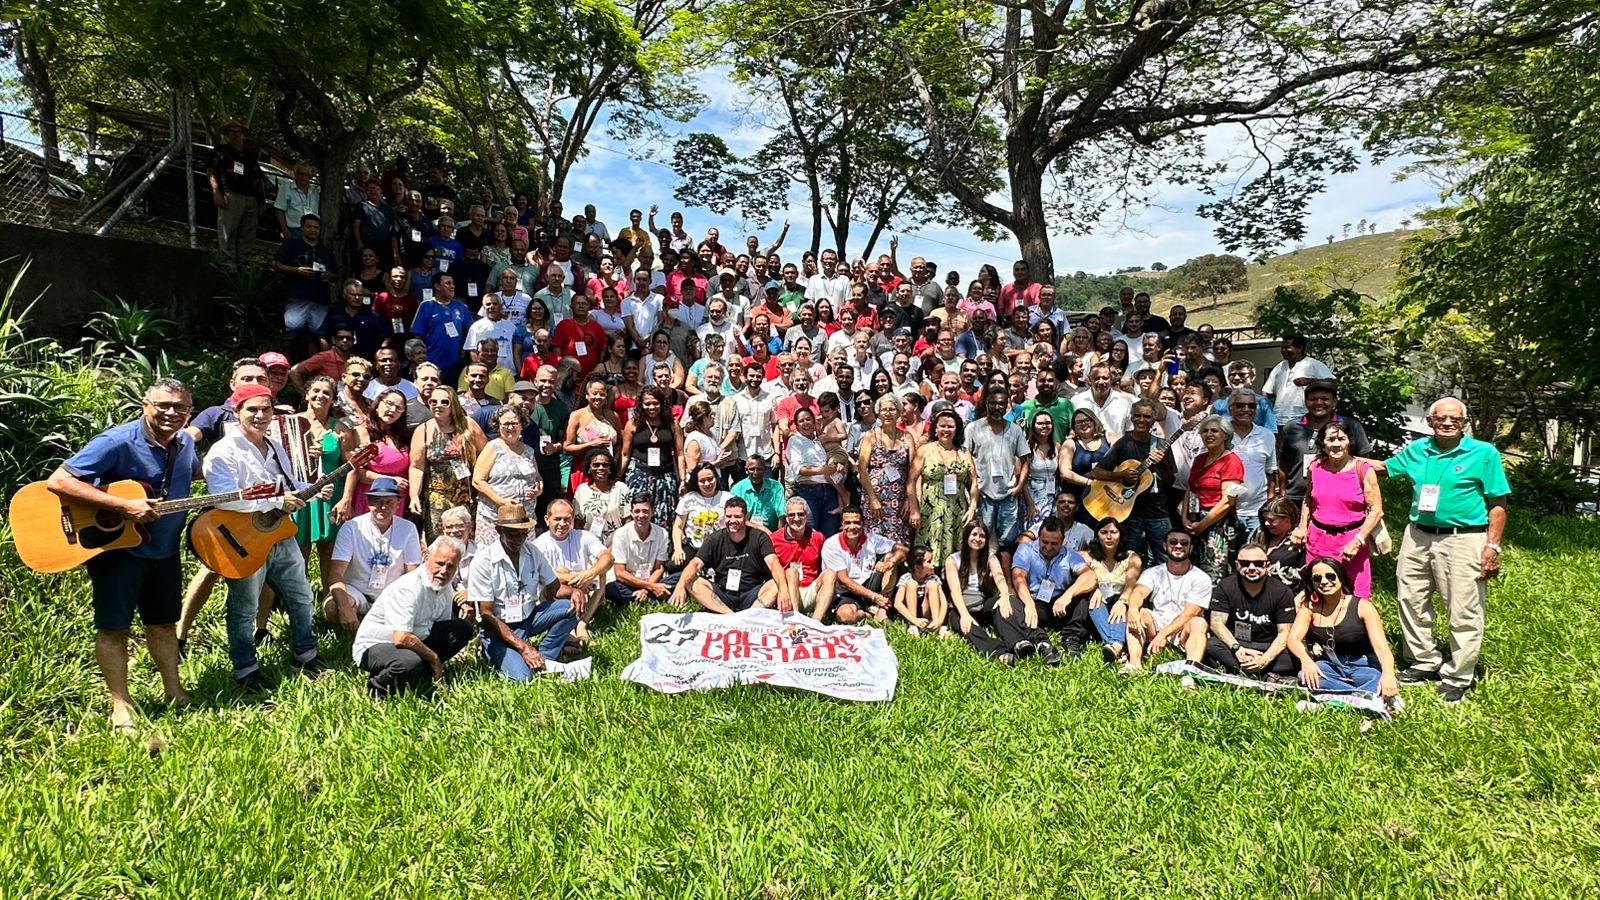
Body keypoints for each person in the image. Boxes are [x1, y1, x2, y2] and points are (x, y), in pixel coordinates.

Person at [47, 378, 198, 730]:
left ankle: (174, 692)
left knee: (163, 623)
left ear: (190, 412)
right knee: (114, 627)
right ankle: (120, 705)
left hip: (164, 550)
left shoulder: (184, 445)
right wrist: (122, 505)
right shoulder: (116, 442)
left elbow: (193, 475)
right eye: (163, 405)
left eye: (180, 407)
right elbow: (59, 481)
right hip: (119, 551)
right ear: (146, 405)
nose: (171, 413)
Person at [202, 384, 331, 694]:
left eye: (266, 409)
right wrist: (275, 503)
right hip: (243, 540)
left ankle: (306, 655)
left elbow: (284, 485)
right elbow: (225, 499)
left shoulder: (273, 446)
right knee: (244, 607)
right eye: (253, 410)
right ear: (237, 412)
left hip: (280, 534)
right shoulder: (223, 452)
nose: (260, 415)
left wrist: (313, 488)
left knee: (302, 596)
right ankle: (246, 670)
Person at [1379, 396, 1509, 703]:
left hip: (1463, 538)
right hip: (1418, 535)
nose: (1448, 423)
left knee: (1463, 608)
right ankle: (1423, 661)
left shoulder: (1484, 453)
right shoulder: (1417, 450)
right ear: (1430, 422)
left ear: (1465, 423)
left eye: (1455, 419)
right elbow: (1384, 469)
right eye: (1441, 419)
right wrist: (1338, 457)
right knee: (1410, 598)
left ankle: (1458, 675)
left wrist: (1493, 546)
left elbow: (1498, 504)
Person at [352, 537, 476, 699]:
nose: (444, 571)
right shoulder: (408, 588)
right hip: (377, 646)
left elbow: (443, 625)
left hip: (416, 637)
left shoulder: (444, 586)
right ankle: (377, 689)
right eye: (439, 563)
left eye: (451, 567)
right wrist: (434, 658)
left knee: (462, 629)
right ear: (426, 558)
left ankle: (420, 673)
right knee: (409, 662)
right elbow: (401, 638)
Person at [471, 501, 578, 680]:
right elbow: (487, 615)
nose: (519, 540)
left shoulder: (532, 551)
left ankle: (545, 657)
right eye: (513, 534)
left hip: (528, 619)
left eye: (523, 534)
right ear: (499, 531)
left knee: (572, 606)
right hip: (498, 628)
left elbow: (554, 588)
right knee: (523, 678)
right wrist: (524, 647)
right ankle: (490, 649)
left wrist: (575, 592)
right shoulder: (483, 561)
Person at [1287, 556, 1401, 706]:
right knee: (1305, 676)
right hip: (1332, 664)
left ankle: (1331, 699)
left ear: (1340, 577)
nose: (1324, 582)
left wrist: (1389, 675)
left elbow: (1381, 648)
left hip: (1364, 665)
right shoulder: (1310, 608)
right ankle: (1365, 698)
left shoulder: (1362, 607)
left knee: (1375, 679)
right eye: (1317, 578)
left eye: (1330, 576)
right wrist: (1306, 660)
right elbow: (1293, 639)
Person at [1293, 420, 1383, 599]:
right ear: (1322, 444)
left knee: (1355, 596)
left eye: (1341, 439)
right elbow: (1309, 499)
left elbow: (1376, 511)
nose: (1336, 444)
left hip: (1351, 543)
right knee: (1318, 591)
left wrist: (1357, 541)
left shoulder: (1363, 470)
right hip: (1318, 541)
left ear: (1349, 442)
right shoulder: (1315, 466)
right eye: (1330, 439)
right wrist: (1302, 527)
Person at [321, 477, 422, 631]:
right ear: (368, 503)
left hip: (391, 595)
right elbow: (335, 574)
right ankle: (363, 624)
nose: (383, 507)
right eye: (377, 501)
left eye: (389, 502)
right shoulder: (352, 527)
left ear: (398, 504)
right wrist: (344, 607)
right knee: (332, 607)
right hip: (356, 592)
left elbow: (412, 575)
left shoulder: (408, 528)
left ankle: (370, 626)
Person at [943, 522, 1046, 665]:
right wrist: (965, 615)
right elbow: (954, 590)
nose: (978, 539)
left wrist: (1004, 595)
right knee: (970, 629)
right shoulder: (953, 560)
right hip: (960, 608)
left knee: (1005, 604)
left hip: (982, 605)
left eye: (982, 536)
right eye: (974, 534)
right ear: (966, 536)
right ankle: (999, 653)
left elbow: (999, 576)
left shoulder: (990, 557)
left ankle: (1018, 642)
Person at [1192, 542, 1299, 677]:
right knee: (1210, 645)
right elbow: (1216, 624)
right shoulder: (1225, 586)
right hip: (1236, 643)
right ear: (1237, 565)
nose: (1252, 568)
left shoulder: (1282, 592)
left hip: (1267, 646)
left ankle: (1245, 670)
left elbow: (1284, 633)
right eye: (1245, 563)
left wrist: (1264, 659)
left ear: (1267, 565)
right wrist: (1237, 648)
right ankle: (1263, 674)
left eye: (1259, 563)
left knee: (1295, 657)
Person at [670, 497, 793, 613]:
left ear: (745, 518)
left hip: (753, 593)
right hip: (723, 595)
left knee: (778, 583)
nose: (732, 520)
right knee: (692, 582)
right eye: (728, 516)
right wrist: (680, 586)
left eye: (737, 516)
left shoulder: (759, 537)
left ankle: (751, 614)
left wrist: (783, 590)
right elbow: (695, 563)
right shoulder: (714, 539)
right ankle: (729, 615)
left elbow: (773, 563)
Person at [1092, 399, 1174, 564]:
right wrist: (1121, 476)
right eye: (1137, 416)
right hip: (1128, 511)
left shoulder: (1161, 445)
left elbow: (1171, 481)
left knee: (1165, 559)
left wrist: (1163, 464)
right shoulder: (1124, 444)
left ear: (1153, 420)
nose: (1141, 420)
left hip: (1157, 511)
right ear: (1131, 417)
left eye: (1146, 416)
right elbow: (1097, 472)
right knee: (1127, 560)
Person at [1125, 530, 1213, 673]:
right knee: (1140, 613)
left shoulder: (1201, 578)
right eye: (1173, 542)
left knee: (1199, 622)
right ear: (1165, 546)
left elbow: (1190, 614)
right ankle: (1134, 664)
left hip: (1183, 630)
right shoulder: (1153, 572)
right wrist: (1133, 610)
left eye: (1184, 543)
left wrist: (1163, 635)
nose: (1178, 546)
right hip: (1158, 624)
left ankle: (1190, 672)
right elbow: (1138, 592)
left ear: (1190, 548)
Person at [1275, 380, 1372, 504]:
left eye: (1324, 399)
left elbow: (1363, 463)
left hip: (1338, 497)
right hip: (1296, 497)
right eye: (1313, 399)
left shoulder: (1350, 426)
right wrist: (1283, 494)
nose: (1319, 403)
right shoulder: (1291, 427)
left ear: (1334, 402)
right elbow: (1283, 464)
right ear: (1306, 402)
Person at [1061, 518, 1142, 665]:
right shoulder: (1086, 556)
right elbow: (1083, 578)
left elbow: (1131, 583)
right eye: (1104, 532)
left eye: (1113, 532)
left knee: (1120, 607)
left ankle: (1115, 645)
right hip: (1098, 607)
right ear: (1097, 535)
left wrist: (1122, 602)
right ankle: (1118, 645)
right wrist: (1095, 588)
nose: (1109, 537)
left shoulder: (1132, 557)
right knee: (1094, 602)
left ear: (1121, 535)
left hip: (1122, 601)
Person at [533, 500, 613, 646]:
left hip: (585, 588)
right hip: (556, 591)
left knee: (602, 570)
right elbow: (545, 575)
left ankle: (582, 624)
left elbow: (608, 557)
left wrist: (589, 573)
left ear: (573, 520)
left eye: (567, 519)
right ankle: (565, 627)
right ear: (547, 520)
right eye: (557, 519)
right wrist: (577, 579)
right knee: (560, 571)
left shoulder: (584, 536)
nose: (562, 524)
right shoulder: (539, 544)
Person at [409, 385, 482, 543]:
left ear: (453, 404)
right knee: (438, 542)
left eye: (444, 402)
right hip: (437, 497)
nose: (438, 405)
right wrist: (414, 495)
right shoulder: (424, 430)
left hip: (466, 496)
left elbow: (486, 455)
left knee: (466, 540)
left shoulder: (469, 426)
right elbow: (416, 466)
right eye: (433, 401)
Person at [908, 406, 978, 566]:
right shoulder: (925, 450)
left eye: (950, 426)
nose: (946, 430)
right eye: (942, 426)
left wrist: (972, 508)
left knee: (957, 552)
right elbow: (911, 481)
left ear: (957, 429)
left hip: (958, 511)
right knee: (928, 554)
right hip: (930, 512)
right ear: (936, 428)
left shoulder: (964, 452)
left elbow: (973, 482)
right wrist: (914, 510)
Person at [815, 507, 908, 625]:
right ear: (842, 525)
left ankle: (883, 611)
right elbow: (844, 580)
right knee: (845, 616)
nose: (852, 527)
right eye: (848, 523)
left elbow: (903, 550)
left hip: (869, 583)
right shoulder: (832, 544)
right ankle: (869, 615)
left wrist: (890, 563)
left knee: (891, 557)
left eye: (857, 523)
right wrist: (874, 597)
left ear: (863, 524)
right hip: (846, 592)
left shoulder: (871, 539)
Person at [1007, 516, 1081, 663]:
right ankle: (1043, 643)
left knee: (1086, 596)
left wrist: (1068, 595)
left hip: (1059, 606)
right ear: (1038, 537)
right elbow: (1018, 577)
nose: (1048, 547)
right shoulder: (1025, 550)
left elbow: (1089, 576)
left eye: (1054, 543)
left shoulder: (1070, 554)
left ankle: (1071, 639)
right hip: (1034, 603)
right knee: (1011, 603)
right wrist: (1029, 604)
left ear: (1062, 541)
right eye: (1044, 542)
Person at [964, 388, 1029, 555]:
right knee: (980, 539)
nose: (997, 407)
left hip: (1008, 494)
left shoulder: (1015, 430)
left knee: (1007, 542)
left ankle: (1005, 579)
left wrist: (1020, 486)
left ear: (1007, 406)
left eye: (1001, 404)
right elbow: (966, 455)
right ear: (986, 404)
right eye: (993, 403)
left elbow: (1025, 459)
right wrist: (974, 482)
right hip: (983, 494)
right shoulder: (973, 428)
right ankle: (981, 578)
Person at [1182, 414, 1245, 580]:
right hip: (1194, 521)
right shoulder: (1200, 459)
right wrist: (1184, 518)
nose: (1209, 434)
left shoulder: (1232, 461)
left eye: (1214, 431)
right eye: (1205, 431)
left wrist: (1202, 525)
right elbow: (1190, 488)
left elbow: (1228, 501)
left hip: (1218, 524)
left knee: (1213, 574)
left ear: (1225, 435)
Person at [470, 405, 541, 545]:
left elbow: (538, 477)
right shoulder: (492, 448)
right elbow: (478, 481)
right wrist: (502, 502)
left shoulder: (528, 451)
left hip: (524, 518)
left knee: (524, 560)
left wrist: (539, 489)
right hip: (495, 518)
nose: (510, 427)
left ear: (522, 425)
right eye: (506, 424)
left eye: (514, 423)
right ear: (498, 426)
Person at [619, 386, 684, 526]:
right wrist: (617, 477)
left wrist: (683, 479)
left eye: (655, 403)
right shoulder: (633, 424)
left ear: (662, 403)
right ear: (641, 405)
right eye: (647, 404)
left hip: (665, 476)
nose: (651, 407)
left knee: (664, 517)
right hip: (639, 475)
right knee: (639, 517)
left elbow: (680, 454)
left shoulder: (673, 424)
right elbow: (625, 454)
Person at [207, 121, 266, 272]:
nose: (235, 135)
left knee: (247, 232)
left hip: (250, 197)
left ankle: (243, 263)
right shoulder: (220, 151)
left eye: (238, 132)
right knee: (229, 230)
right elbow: (211, 172)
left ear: (243, 135)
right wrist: (216, 192)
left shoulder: (249, 155)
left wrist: (261, 201)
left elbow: (259, 179)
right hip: (231, 194)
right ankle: (228, 263)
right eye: (231, 132)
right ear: (226, 135)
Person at [1224, 387, 1279, 539]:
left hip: (1257, 512)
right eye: (1240, 405)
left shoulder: (1266, 435)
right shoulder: (1220, 434)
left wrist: (1269, 506)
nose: (1246, 409)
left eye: (1251, 406)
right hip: (1225, 510)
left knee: (1253, 558)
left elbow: (1271, 473)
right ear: (1230, 409)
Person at [607, 493, 678, 605]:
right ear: (631, 512)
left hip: (652, 579)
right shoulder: (621, 534)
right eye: (637, 511)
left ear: (653, 512)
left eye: (645, 511)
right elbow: (620, 572)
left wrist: (646, 588)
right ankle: (652, 599)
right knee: (609, 587)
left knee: (680, 577)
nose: (641, 515)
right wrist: (652, 587)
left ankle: (640, 598)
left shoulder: (662, 533)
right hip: (628, 581)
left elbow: (659, 568)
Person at [771, 497, 827, 613]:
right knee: (792, 572)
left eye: (800, 514)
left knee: (830, 574)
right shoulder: (774, 539)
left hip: (810, 590)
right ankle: (794, 617)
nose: (796, 519)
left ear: (806, 516)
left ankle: (815, 622)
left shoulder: (818, 537)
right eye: (792, 515)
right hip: (787, 592)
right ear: (786, 518)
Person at [672, 463, 733, 568]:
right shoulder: (688, 499)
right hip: (693, 547)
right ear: (696, 482)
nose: (707, 483)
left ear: (716, 478)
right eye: (702, 481)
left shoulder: (727, 498)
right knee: (674, 566)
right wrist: (678, 549)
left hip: (720, 548)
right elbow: (678, 527)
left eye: (710, 479)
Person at [1262, 334, 1334, 423]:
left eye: (1287, 347)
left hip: (1304, 420)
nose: (1283, 351)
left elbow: (1333, 382)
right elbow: (1266, 391)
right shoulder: (1279, 367)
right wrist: (1267, 411)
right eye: (1282, 348)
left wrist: (1310, 381)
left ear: (1299, 348)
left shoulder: (1313, 365)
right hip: (1278, 420)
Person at [573, 451, 629, 544]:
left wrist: (619, 543)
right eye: (596, 465)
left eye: (605, 465)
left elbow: (628, 521)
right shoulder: (581, 490)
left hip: (617, 544)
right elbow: (578, 523)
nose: (600, 468)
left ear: (610, 468)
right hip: (589, 544)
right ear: (589, 468)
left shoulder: (621, 489)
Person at [894, 546, 950, 636]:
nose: (933, 564)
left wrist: (939, 620)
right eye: (929, 562)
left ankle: (935, 625)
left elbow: (943, 602)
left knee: (932, 584)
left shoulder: (933, 578)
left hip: (926, 611)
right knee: (912, 584)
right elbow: (897, 603)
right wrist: (914, 620)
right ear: (917, 567)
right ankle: (913, 627)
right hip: (911, 615)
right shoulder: (906, 578)